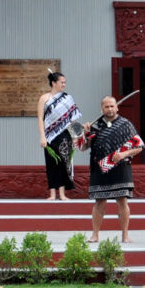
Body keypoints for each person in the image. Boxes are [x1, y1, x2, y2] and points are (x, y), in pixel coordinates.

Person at [82, 96, 144, 243]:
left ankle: (125, 235)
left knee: (122, 201)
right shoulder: (95, 126)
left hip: (121, 168)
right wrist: (85, 134)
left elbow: (139, 147)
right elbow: (84, 148)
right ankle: (95, 235)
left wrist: (123, 154)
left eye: (112, 106)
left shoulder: (126, 124)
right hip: (99, 168)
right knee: (99, 202)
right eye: (106, 107)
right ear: (102, 109)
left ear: (117, 107)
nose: (109, 109)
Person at [37, 71, 80, 200]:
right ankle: (52, 194)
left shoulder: (68, 98)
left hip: (65, 134)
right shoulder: (44, 98)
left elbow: (72, 119)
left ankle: (62, 193)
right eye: (61, 82)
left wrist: (75, 136)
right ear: (53, 83)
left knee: (64, 163)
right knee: (51, 163)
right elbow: (40, 118)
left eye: (65, 82)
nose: (64, 85)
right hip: (50, 135)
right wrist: (42, 136)